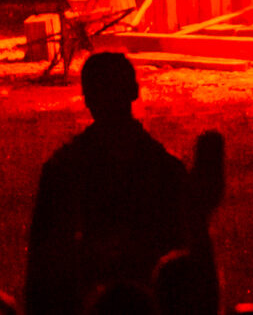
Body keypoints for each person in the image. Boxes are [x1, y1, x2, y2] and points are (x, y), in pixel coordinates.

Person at [26, 52, 224, 315]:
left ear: (86, 99)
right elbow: (185, 269)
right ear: (134, 90)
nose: (107, 100)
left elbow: (41, 269)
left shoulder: (64, 169)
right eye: (103, 90)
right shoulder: (165, 169)